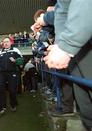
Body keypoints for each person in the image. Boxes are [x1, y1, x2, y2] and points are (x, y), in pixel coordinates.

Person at [44, 0, 92, 130]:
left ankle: (67, 107)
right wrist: (61, 45)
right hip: (78, 51)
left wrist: (66, 46)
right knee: (86, 110)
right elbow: (63, 11)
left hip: (81, 44)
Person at [0, 37, 23, 116]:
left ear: (10, 43)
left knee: (12, 90)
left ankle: (13, 104)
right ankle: (1, 107)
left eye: (7, 42)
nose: (5, 43)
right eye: (4, 42)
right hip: (2, 73)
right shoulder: (0, 52)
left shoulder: (15, 50)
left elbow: (21, 60)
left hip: (12, 72)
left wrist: (16, 61)